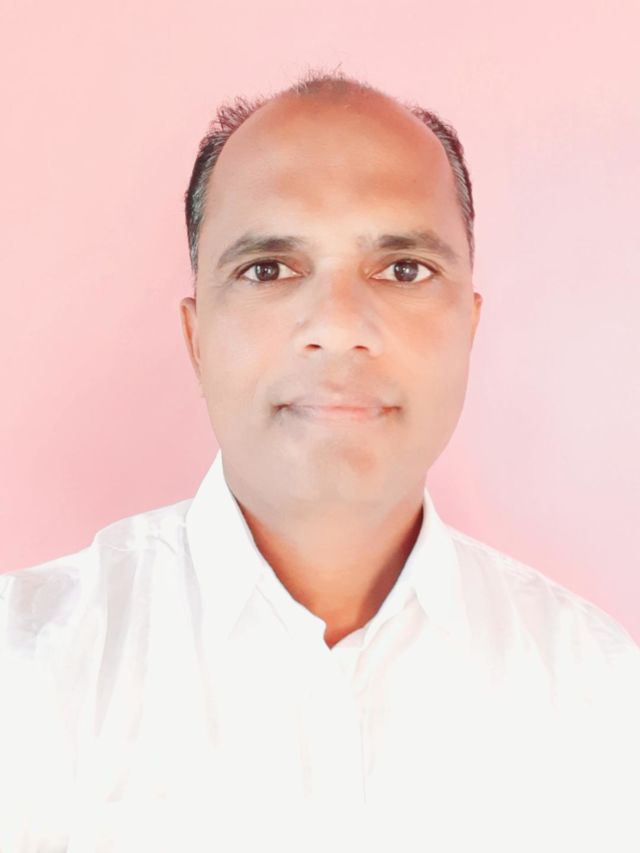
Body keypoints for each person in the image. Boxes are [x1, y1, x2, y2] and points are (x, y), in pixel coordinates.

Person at [1, 69, 638, 852]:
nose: (338, 327)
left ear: (470, 327)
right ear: (196, 339)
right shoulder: (22, 675)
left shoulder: (603, 697)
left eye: (404, 268)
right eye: (268, 269)